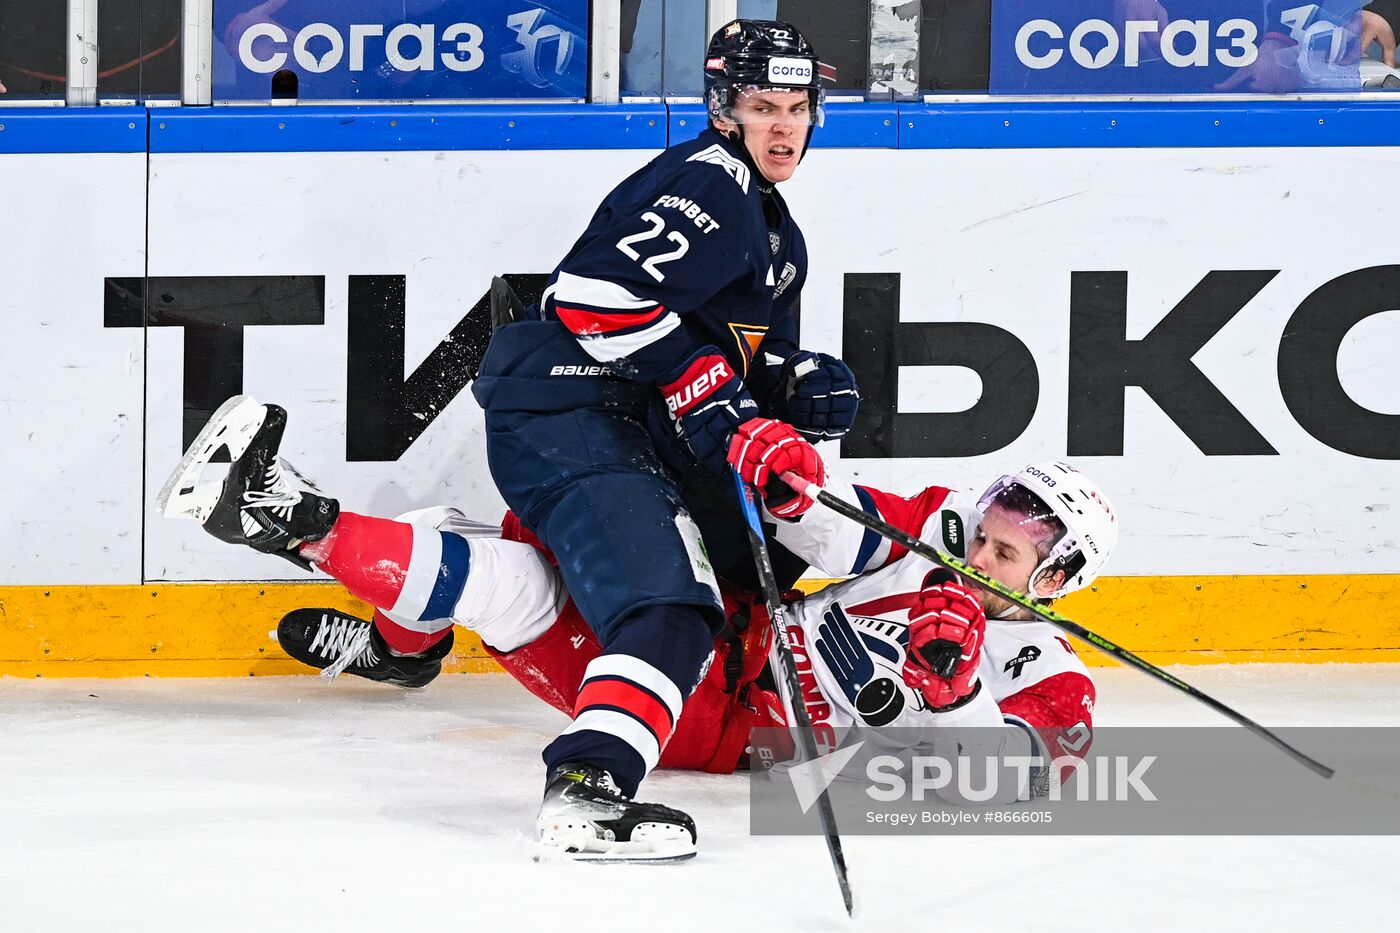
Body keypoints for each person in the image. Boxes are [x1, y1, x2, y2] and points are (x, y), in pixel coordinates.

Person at [161, 396, 1117, 845]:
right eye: (982, 534)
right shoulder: (939, 531)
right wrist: (790, 479)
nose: (973, 556)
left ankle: (295, 521)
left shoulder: (1043, 666)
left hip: (729, 720)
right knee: (470, 540)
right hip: (732, 623)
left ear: (1057, 578)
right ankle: (382, 624)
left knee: (508, 583)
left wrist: (948, 699)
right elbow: (836, 533)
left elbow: (1019, 778)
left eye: (1003, 555)